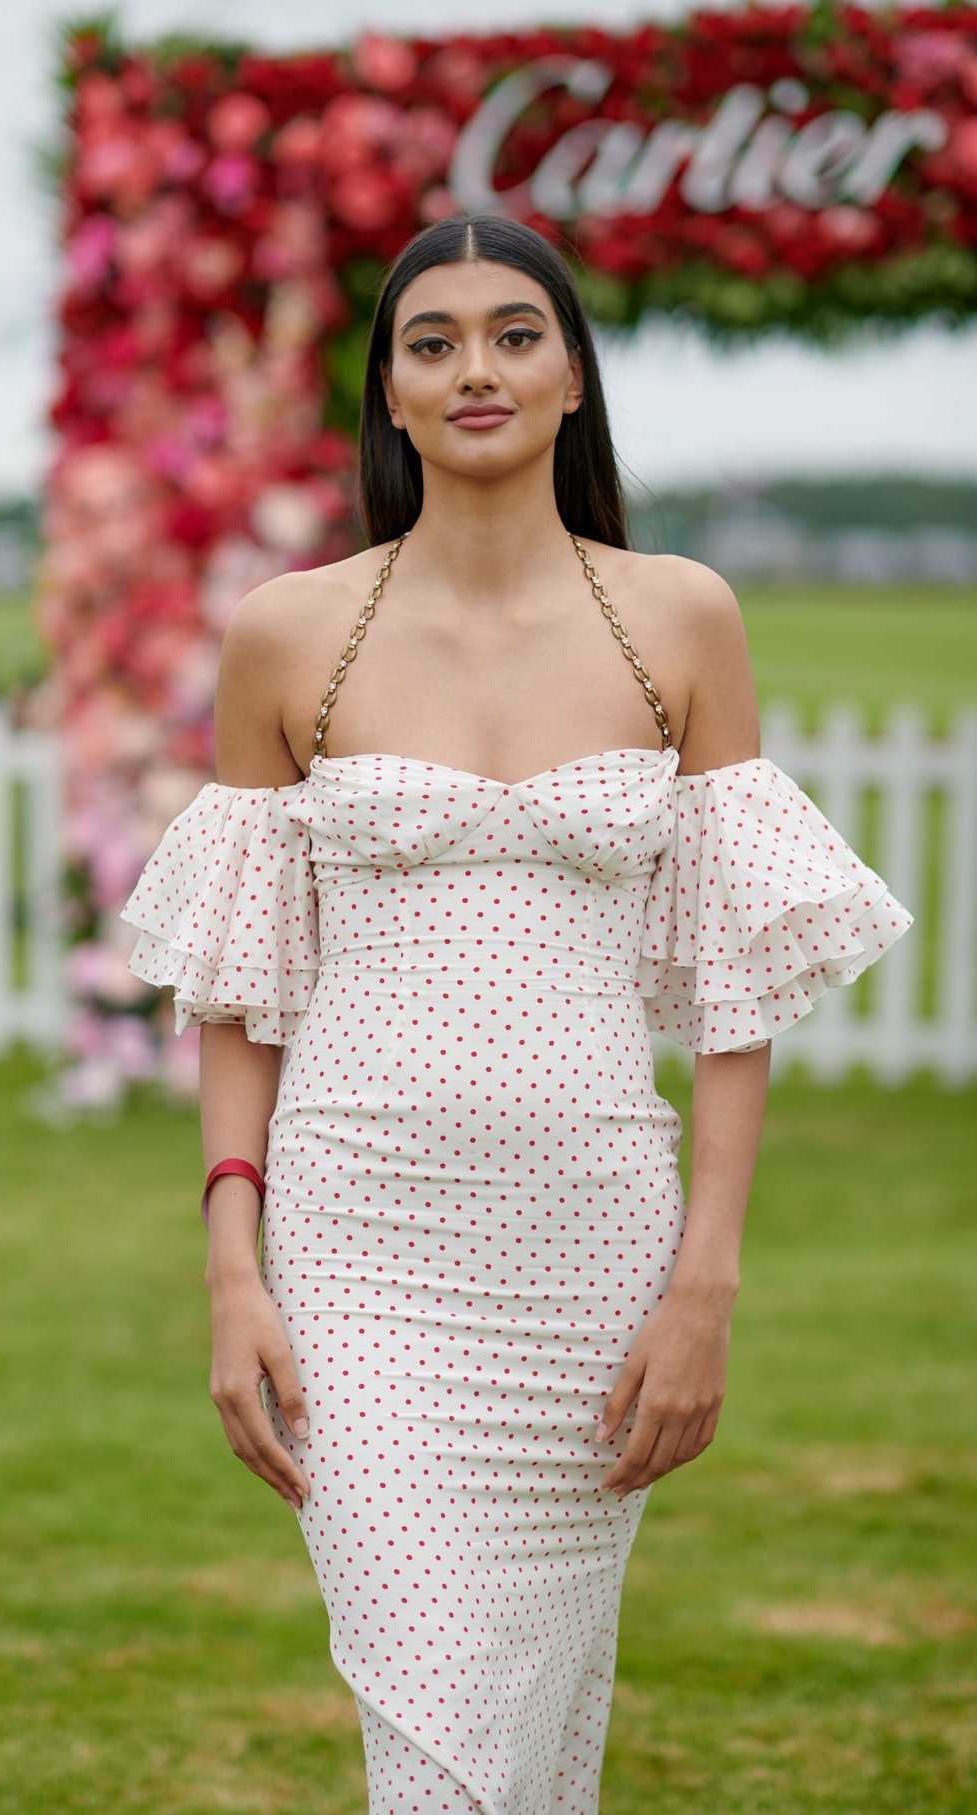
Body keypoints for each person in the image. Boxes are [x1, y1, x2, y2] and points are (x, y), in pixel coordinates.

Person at [120, 214, 915, 1813]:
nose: (472, 366)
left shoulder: (679, 618)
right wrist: (231, 1266)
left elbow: (735, 996)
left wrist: (705, 1289)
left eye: (511, 333)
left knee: (537, 1717)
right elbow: (241, 992)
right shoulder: (288, 630)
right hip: (360, 1244)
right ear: (390, 400)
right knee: (435, 1721)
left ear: (570, 380)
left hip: (592, 1254)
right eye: (431, 342)